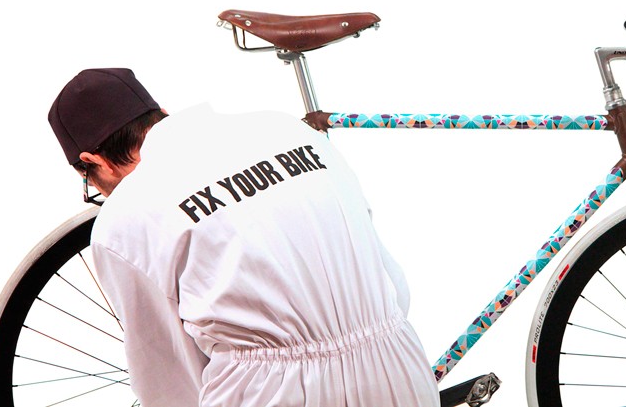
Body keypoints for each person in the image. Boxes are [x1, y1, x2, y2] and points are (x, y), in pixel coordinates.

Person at [48, 68, 440, 407]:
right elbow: (392, 282)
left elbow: (168, 377)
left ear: (92, 162)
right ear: (160, 113)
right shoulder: (285, 127)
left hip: (272, 394)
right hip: (402, 369)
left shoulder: (124, 215)